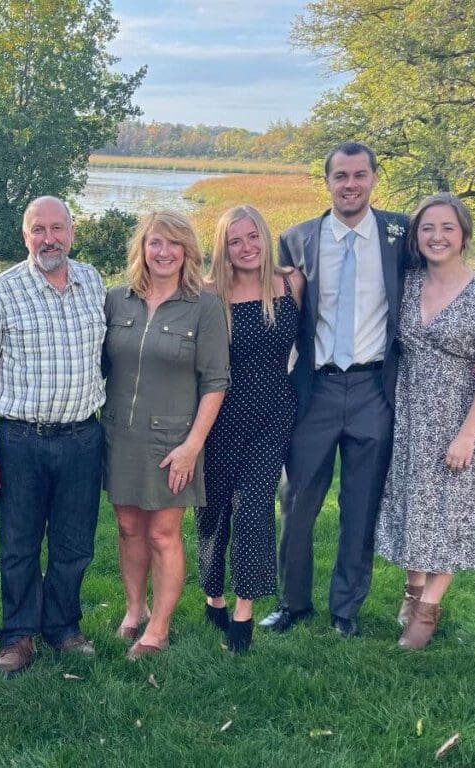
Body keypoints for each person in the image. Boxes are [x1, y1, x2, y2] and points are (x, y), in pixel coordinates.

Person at [262, 142, 409, 638]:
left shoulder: (400, 234)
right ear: (326, 181)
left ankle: (346, 609)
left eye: (359, 175)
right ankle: (292, 602)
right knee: (297, 499)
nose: (350, 184)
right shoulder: (298, 238)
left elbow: (439, 292)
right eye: (340, 176)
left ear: (374, 178)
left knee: (360, 504)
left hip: (373, 387)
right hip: (315, 389)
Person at [374, 193, 475, 649]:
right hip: (410, 411)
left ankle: (427, 612)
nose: (436, 236)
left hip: (464, 415)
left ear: (464, 235)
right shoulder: (404, 284)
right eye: (427, 228)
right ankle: (412, 589)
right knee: (415, 504)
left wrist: (467, 435)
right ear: (416, 236)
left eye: (447, 228)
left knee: (451, 512)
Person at [0, 196, 106, 676]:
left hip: (84, 438)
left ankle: (63, 627)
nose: (50, 238)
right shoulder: (1, 291)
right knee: (19, 545)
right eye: (38, 230)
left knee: (74, 545)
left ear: (71, 231)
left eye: (58, 228)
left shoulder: (92, 282)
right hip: (22, 440)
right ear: (24, 236)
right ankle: (18, 635)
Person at [103, 211, 230, 659]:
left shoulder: (205, 307)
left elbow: (216, 382)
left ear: (187, 252)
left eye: (174, 244)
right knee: (127, 527)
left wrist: (192, 447)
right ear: (142, 248)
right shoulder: (117, 300)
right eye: (155, 242)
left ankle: (158, 627)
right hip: (120, 436)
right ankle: (134, 611)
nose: (164, 252)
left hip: (173, 442)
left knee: (162, 533)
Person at [197, 206, 303, 653]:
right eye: (235, 241)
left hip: (274, 411)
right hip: (219, 412)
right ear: (223, 247)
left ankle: (244, 609)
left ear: (265, 236)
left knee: (255, 503)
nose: (246, 248)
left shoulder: (290, 282)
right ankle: (213, 595)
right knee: (214, 508)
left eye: (253, 237)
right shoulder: (208, 293)